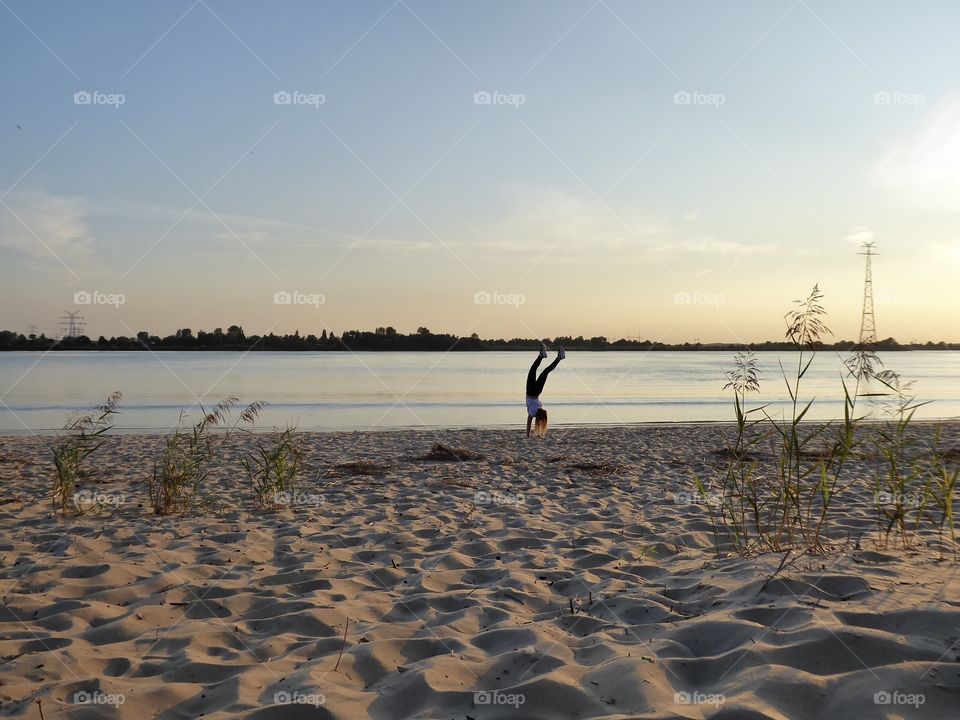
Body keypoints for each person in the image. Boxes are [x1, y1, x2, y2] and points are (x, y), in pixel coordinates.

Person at [526, 342, 565, 437]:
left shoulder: (540, 408)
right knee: (533, 369)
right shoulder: (532, 412)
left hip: (537, 392)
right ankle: (541, 356)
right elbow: (529, 423)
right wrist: (527, 435)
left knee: (546, 372)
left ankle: (559, 358)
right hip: (530, 392)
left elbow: (537, 422)